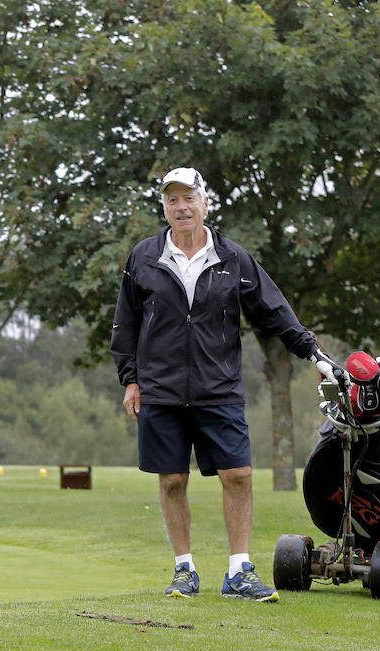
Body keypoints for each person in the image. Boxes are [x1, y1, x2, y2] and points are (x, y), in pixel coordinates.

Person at [111, 166, 335, 602]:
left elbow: (274, 311)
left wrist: (313, 353)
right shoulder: (143, 257)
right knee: (172, 480)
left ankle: (238, 572)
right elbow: (126, 325)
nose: (181, 207)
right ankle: (184, 570)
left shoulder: (234, 259)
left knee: (239, 474)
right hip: (161, 389)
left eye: (188, 198)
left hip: (219, 387)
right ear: (165, 208)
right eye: (172, 200)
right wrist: (130, 380)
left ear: (205, 203)